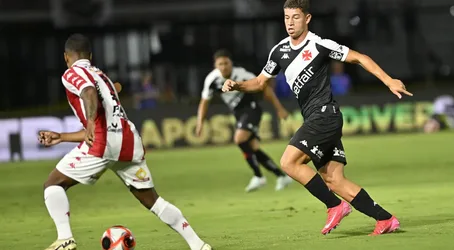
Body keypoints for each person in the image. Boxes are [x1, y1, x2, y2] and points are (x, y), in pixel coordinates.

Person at [222, 0, 412, 235]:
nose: (290, 23)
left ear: (307, 18)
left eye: (296, 17)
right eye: (286, 18)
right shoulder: (279, 51)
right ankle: (385, 219)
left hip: (324, 117)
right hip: (319, 119)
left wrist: (389, 80)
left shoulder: (320, 44)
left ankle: (335, 205)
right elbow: (260, 82)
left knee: (288, 163)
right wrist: (237, 85)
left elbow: (360, 58)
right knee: (334, 180)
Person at [39, 34, 212, 250]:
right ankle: (199, 245)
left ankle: (65, 238)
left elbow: (88, 93)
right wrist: (63, 137)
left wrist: (91, 122)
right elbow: (103, 122)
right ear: (90, 56)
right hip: (128, 140)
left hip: (104, 142)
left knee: (53, 184)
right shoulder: (102, 75)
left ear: (66, 57)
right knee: (153, 201)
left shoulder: (72, 73)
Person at [196, 49, 293, 192]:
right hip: (237, 113)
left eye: (226, 63)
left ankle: (258, 177)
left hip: (251, 109)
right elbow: (204, 102)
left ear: (231, 63)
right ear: (215, 66)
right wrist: (200, 123)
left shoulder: (242, 74)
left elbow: (264, 87)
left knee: (239, 139)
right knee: (253, 147)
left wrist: (279, 108)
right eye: (220, 64)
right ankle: (281, 176)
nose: (223, 67)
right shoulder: (211, 79)